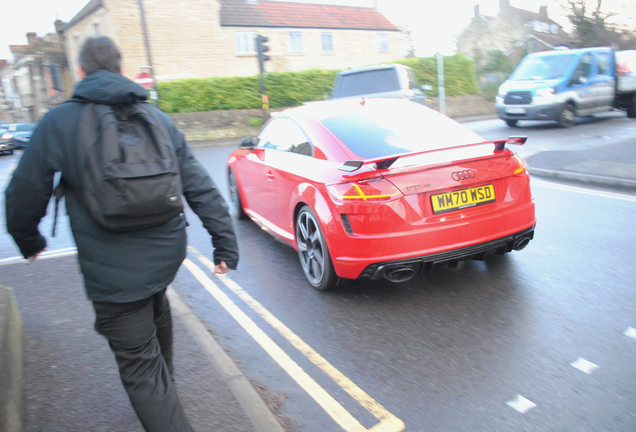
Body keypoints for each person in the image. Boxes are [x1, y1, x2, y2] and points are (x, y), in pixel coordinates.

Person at [5, 35, 239, 432]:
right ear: (120, 68)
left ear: (80, 72)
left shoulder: (60, 121)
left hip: (112, 271)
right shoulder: (158, 120)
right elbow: (199, 186)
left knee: (140, 369)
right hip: (164, 256)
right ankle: (165, 389)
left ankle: (161, 399)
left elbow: (23, 192)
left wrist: (29, 241)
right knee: (152, 307)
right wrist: (224, 245)